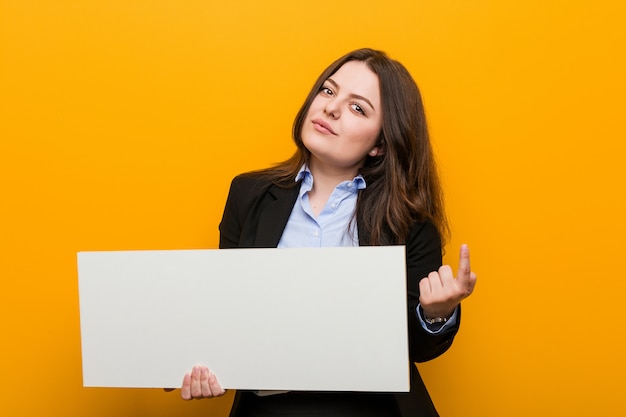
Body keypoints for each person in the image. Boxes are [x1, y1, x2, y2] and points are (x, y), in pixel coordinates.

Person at [173, 48, 477, 417]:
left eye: (358, 108)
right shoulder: (248, 195)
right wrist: (190, 363)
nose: (332, 108)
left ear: (380, 143)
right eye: (329, 92)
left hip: (370, 409)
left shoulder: (409, 222)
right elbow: (228, 313)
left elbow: (414, 349)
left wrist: (435, 314)